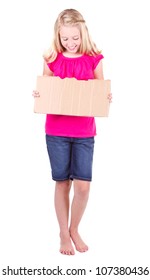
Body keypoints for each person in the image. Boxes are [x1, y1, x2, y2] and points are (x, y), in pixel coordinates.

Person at [33, 8, 112, 255]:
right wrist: (39, 93)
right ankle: (63, 233)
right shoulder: (52, 59)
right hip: (56, 131)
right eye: (65, 38)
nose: (71, 43)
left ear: (83, 33)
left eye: (75, 38)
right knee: (61, 182)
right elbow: (45, 90)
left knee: (83, 186)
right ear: (58, 36)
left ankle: (74, 228)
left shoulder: (94, 58)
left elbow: (100, 90)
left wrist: (106, 95)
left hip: (84, 132)